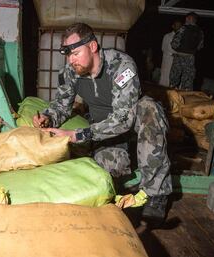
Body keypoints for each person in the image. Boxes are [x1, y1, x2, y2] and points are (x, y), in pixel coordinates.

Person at [32, 23, 172, 223]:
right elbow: (61, 106)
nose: (71, 60)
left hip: (132, 124)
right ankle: (129, 158)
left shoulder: (122, 65)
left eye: (76, 53)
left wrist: (77, 135)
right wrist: (47, 117)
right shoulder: (70, 72)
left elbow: (124, 118)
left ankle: (156, 193)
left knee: (150, 109)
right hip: (104, 131)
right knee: (104, 171)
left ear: (93, 47)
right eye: (68, 55)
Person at [169, 12, 204, 91]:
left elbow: (174, 44)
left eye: (186, 18)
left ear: (189, 19)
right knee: (188, 82)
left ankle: (171, 98)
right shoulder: (200, 31)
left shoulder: (183, 28)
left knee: (174, 80)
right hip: (191, 58)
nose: (185, 20)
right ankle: (185, 98)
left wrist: (179, 49)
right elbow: (200, 46)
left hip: (179, 57)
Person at [159, 20, 182, 86]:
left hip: (178, 60)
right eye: (177, 25)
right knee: (165, 76)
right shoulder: (167, 36)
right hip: (168, 59)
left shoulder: (182, 37)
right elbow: (163, 48)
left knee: (175, 77)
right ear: (173, 26)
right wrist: (172, 54)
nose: (178, 27)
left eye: (180, 26)